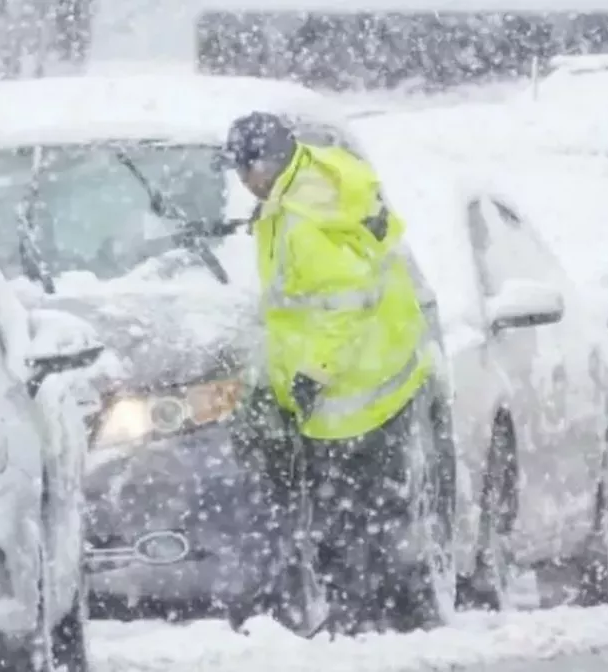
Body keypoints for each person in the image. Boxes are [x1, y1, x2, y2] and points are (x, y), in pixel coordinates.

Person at [222, 112, 446, 638]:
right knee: (370, 509)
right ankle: (379, 614)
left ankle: (366, 619)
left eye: (243, 169)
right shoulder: (311, 185)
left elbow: (341, 305)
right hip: (381, 367)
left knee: (351, 515)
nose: (240, 182)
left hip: (357, 386)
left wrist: (312, 373)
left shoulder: (304, 220)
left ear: (266, 165)